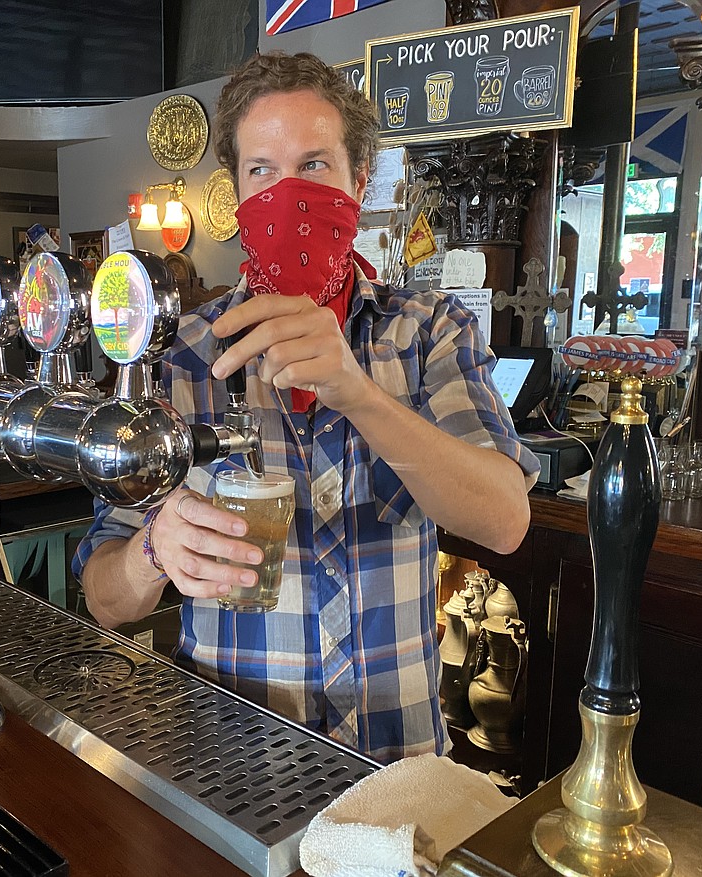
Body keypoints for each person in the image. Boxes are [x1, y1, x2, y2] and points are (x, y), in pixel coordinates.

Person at [74, 51, 539, 763]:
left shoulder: (429, 329)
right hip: (233, 769)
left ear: (357, 181)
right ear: (236, 195)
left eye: (314, 165)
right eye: (262, 170)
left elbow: (505, 519)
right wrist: (153, 550)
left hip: (398, 766)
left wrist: (357, 391)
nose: (287, 193)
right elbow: (106, 600)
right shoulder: (177, 357)